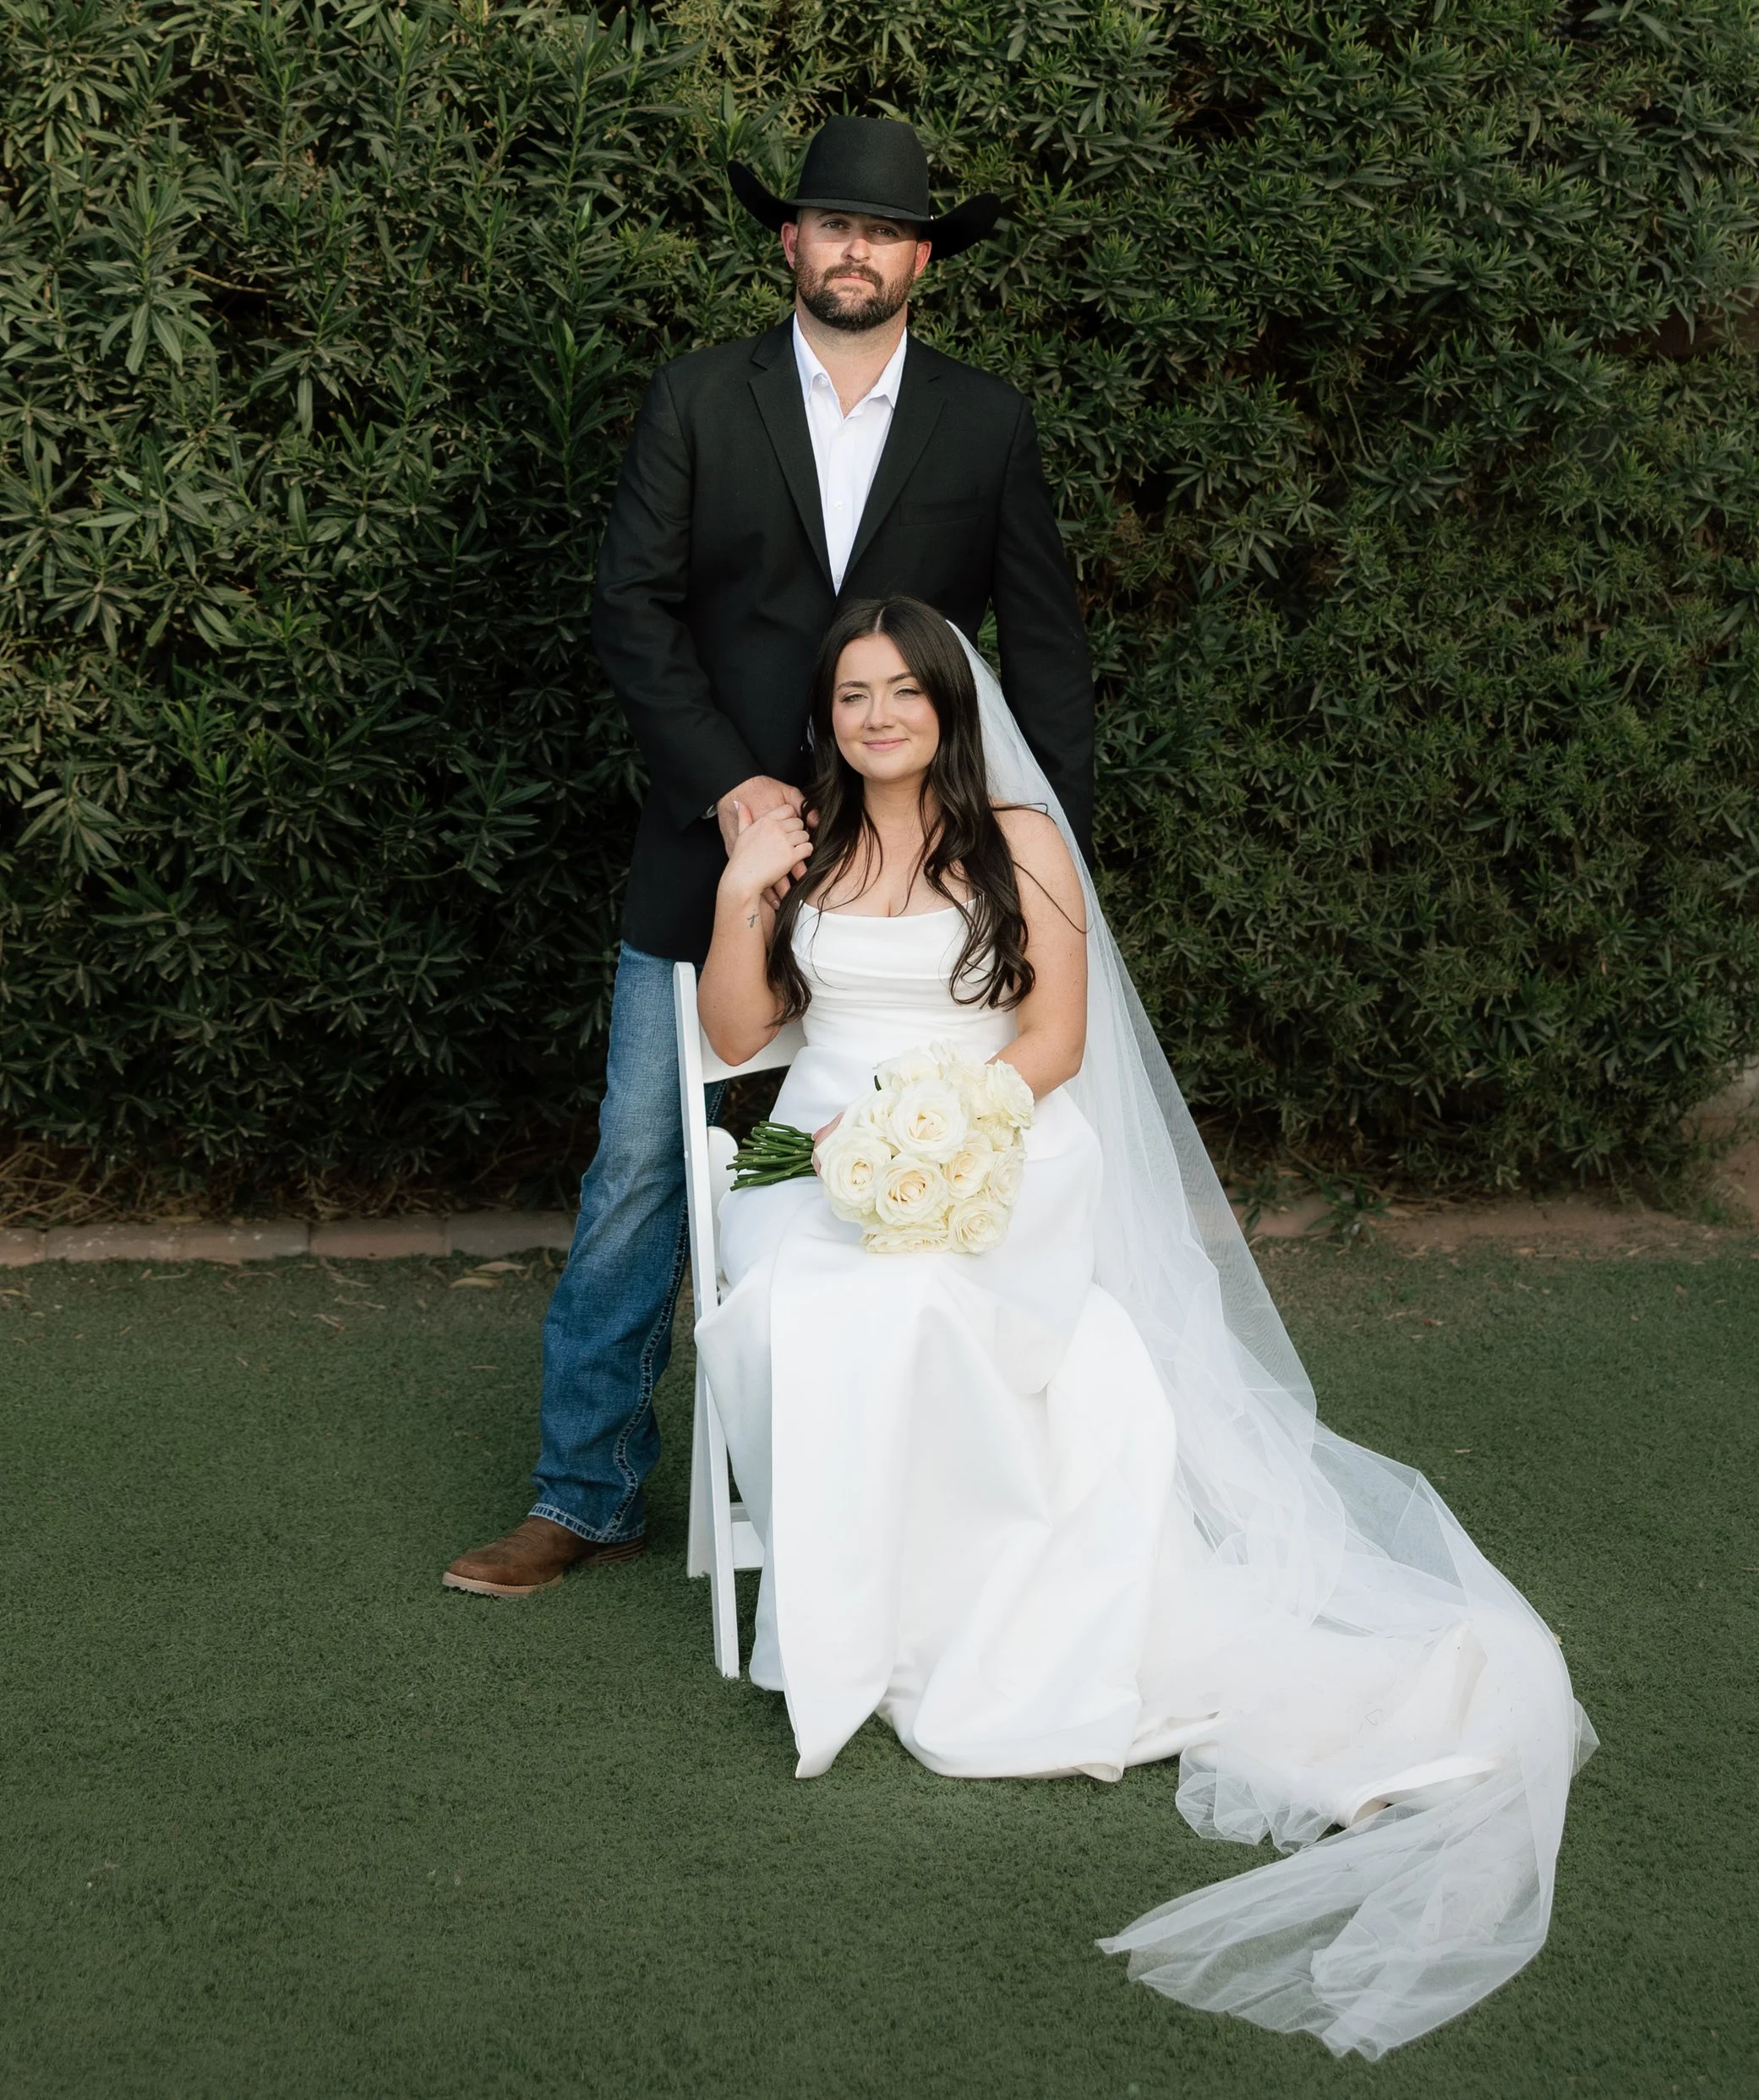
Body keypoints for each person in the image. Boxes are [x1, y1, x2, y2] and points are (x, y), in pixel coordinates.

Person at [693, 595, 1596, 2062]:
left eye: (904, 691)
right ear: (828, 714)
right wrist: (743, 888)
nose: (878, 716)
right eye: (853, 694)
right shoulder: (804, 845)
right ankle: (878, 1610)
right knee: (827, 1293)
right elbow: (739, 1038)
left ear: (946, 706)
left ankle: (946, 1618)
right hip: (812, 1159)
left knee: (925, 1296)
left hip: (1000, 1140)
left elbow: (1053, 1039)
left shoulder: (1019, 841)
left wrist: (949, 1129)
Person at [443, 118, 1094, 1599]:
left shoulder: (987, 422)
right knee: (640, 1166)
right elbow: (631, 609)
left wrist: (1044, 862)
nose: (857, 248)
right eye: (832, 222)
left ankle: (934, 1494)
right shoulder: (697, 398)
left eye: (886, 229)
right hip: (709, 856)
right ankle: (583, 1494)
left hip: (925, 883)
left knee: (907, 1157)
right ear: (790, 243)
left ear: (922, 260)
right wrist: (732, 787)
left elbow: (1046, 652)